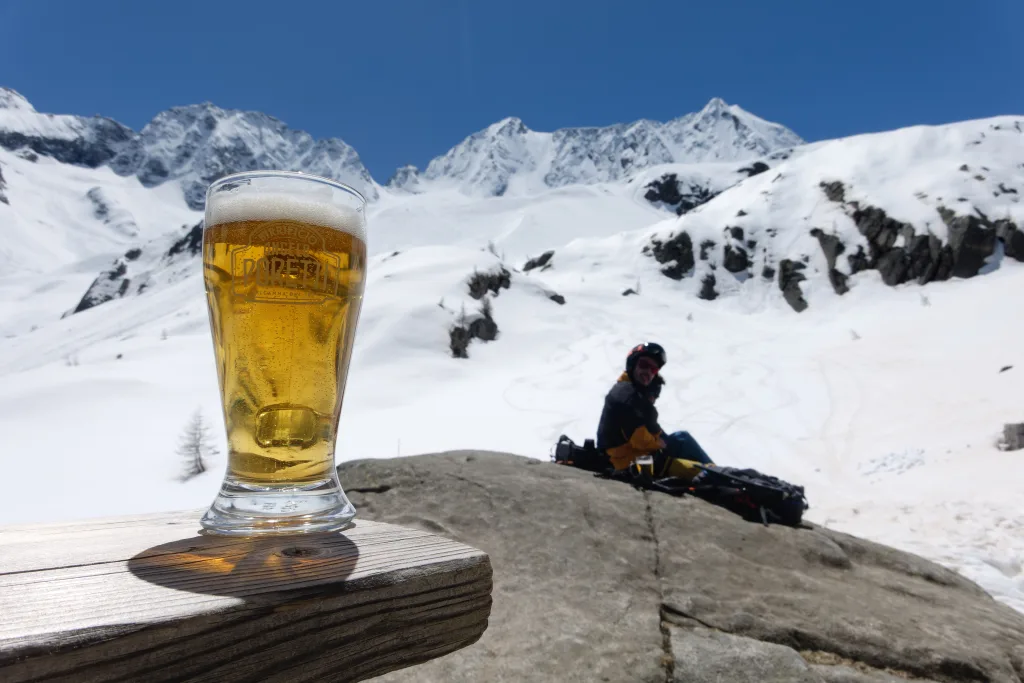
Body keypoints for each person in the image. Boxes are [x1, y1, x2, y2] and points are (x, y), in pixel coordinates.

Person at [596, 342, 714, 480]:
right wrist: (659, 442)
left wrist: (659, 437)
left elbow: (646, 430)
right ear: (632, 364)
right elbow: (639, 441)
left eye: (653, 369)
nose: (648, 372)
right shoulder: (627, 396)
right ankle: (715, 474)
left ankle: (715, 471)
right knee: (694, 467)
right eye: (644, 365)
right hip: (633, 462)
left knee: (681, 438)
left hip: (638, 455)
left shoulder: (631, 392)